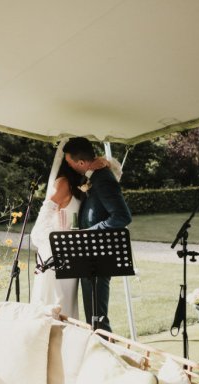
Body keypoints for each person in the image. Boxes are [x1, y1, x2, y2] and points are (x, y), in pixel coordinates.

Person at [63, 137, 132, 332]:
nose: (70, 166)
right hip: (90, 253)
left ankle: (105, 355)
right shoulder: (95, 176)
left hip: (99, 256)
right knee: (93, 315)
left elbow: (122, 217)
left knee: (97, 318)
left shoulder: (103, 179)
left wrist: (89, 233)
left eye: (71, 163)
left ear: (82, 163)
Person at [30, 140, 84, 318]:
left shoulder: (74, 184)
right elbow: (47, 212)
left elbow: (41, 224)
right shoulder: (66, 184)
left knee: (64, 302)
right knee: (57, 302)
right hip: (56, 252)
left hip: (67, 251)